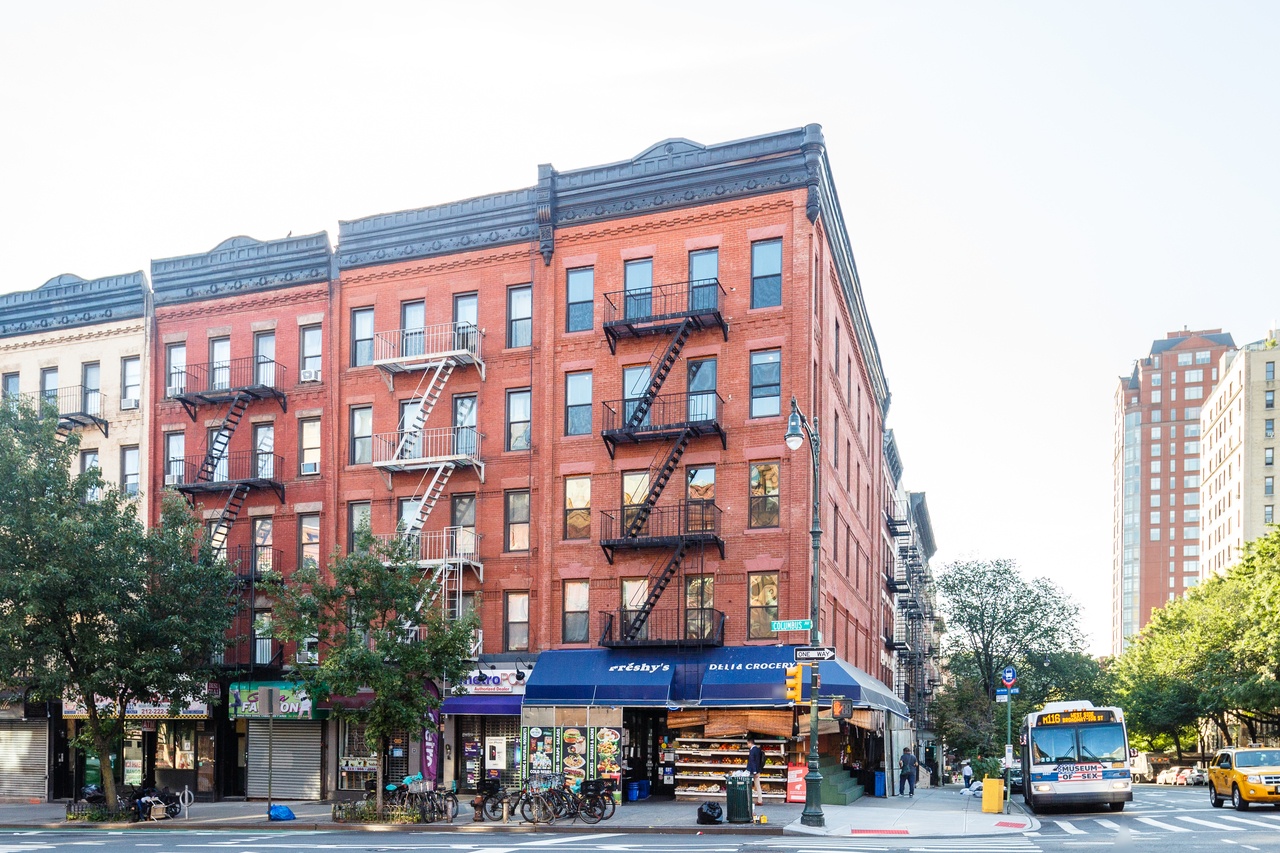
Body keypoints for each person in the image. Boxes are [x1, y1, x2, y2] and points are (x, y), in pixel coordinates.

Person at [746, 736, 765, 806]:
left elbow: (752, 761)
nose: (747, 745)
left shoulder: (752, 750)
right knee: (758, 785)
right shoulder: (758, 749)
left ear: (750, 743)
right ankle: (760, 800)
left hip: (752, 771)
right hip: (758, 770)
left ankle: (748, 800)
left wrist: (754, 771)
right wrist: (758, 770)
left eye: (747, 744)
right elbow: (759, 761)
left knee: (748, 785)